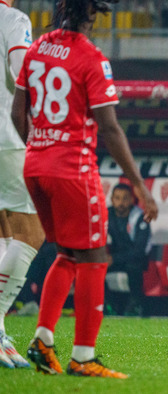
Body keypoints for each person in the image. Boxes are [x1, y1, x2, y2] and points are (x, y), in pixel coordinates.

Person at [11, 0, 158, 378]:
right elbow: (109, 129)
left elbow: (17, 112)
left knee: (67, 253)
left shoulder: (37, 47)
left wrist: (40, 148)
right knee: (94, 256)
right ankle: (83, 357)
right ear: (91, 14)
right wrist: (139, 185)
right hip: (73, 170)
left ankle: (43, 340)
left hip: (35, 164)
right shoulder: (92, 58)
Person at [0, 0, 46, 369]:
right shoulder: (13, 19)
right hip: (7, 139)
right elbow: (22, 76)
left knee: (4, 229)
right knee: (32, 231)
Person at [106, 183, 152, 316]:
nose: (121, 202)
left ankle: (135, 305)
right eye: (117, 198)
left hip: (137, 259)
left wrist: (114, 258)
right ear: (112, 199)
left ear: (132, 200)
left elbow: (139, 251)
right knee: (95, 267)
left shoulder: (139, 217)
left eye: (125, 198)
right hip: (116, 258)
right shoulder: (106, 214)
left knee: (134, 266)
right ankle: (106, 305)